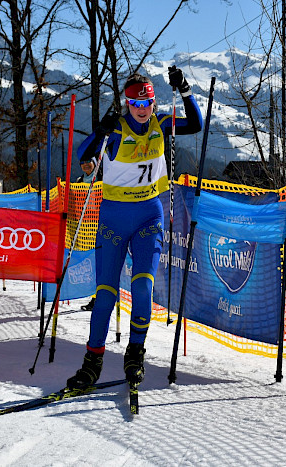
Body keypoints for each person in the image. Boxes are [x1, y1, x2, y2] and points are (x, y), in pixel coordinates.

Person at [67, 66, 203, 389]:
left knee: (143, 288)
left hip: (148, 218)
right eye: (135, 105)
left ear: (154, 104)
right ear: (127, 105)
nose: (142, 111)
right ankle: (92, 362)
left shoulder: (161, 124)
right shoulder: (116, 132)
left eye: (147, 104)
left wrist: (184, 88)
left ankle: (135, 353)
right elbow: (82, 155)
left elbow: (195, 123)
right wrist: (101, 130)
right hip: (113, 221)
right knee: (105, 297)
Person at [76, 157, 101, 311]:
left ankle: (97, 298)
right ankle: (92, 295)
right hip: (84, 228)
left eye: (88, 162)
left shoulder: (101, 179)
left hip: (99, 226)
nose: (85, 165)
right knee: (87, 263)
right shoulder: (79, 181)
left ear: (95, 163)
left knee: (98, 263)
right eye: (82, 162)